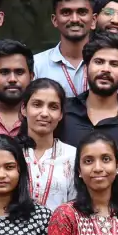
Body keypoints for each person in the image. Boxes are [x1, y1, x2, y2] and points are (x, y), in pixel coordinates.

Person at [58, 33, 118, 146]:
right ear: (86, 69)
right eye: (99, 62)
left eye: (114, 64)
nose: (106, 69)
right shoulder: (62, 111)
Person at [34, 0, 99, 99]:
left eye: (82, 12)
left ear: (94, 20)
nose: (74, 19)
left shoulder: (109, 65)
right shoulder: (36, 66)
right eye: (66, 12)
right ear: (55, 20)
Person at [23, 78, 78, 212]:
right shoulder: (9, 152)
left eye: (53, 107)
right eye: (37, 105)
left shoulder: (73, 156)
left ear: (61, 114)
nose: (44, 113)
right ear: (24, 109)